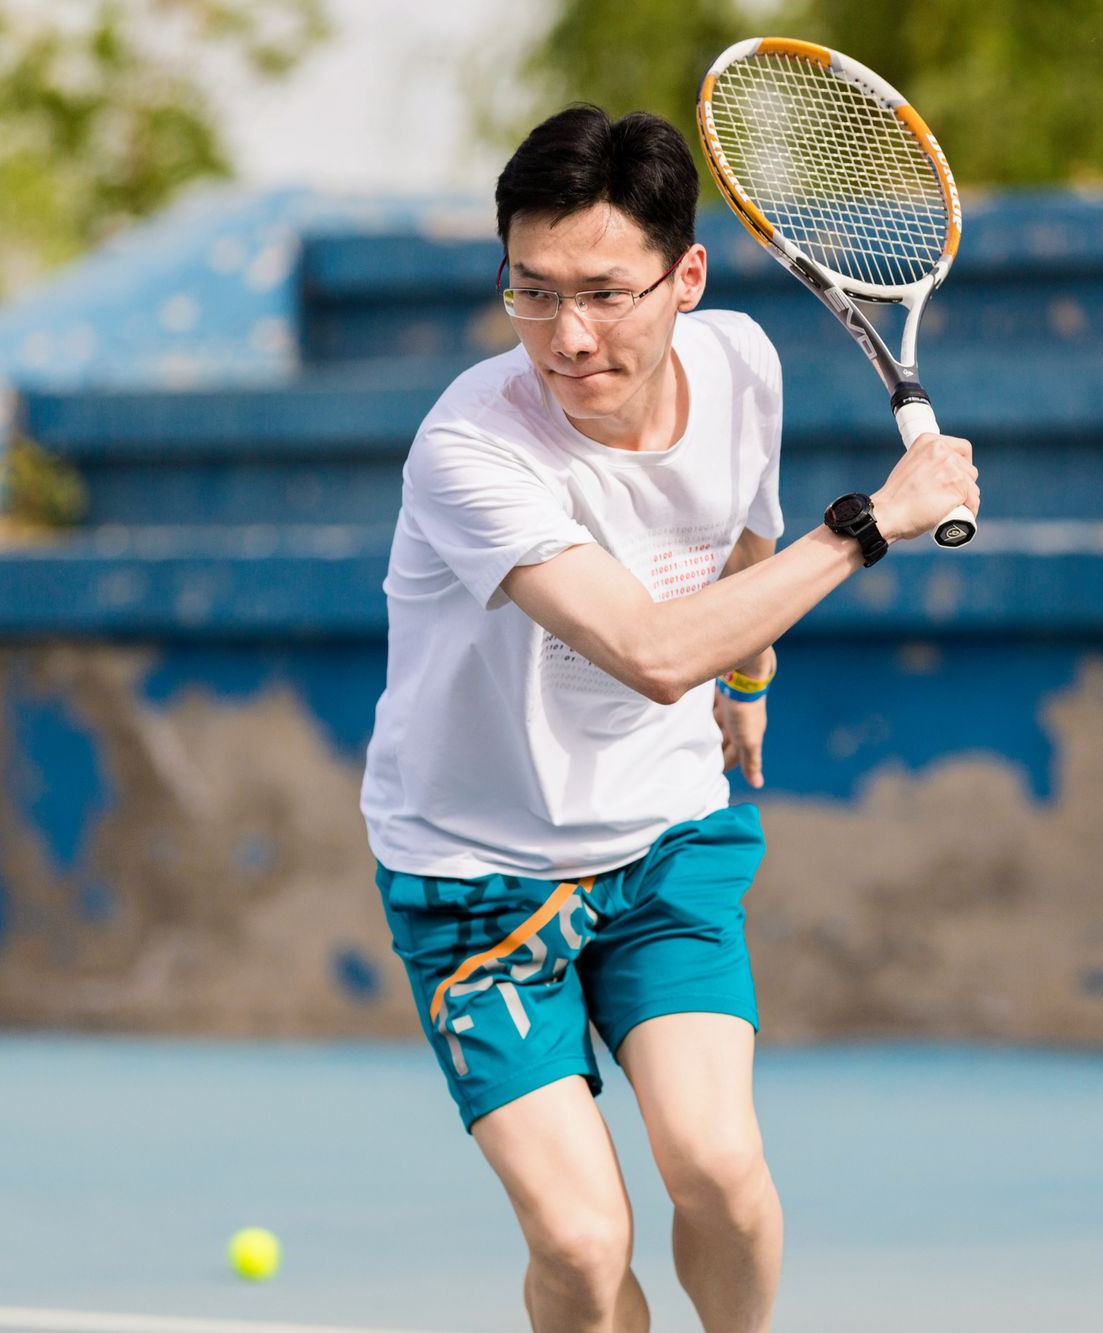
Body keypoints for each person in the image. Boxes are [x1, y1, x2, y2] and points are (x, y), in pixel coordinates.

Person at [360, 104, 979, 1333]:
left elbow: (735, 541)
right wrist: (870, 525)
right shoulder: (470, 449)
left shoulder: (742, 363)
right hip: (478, 881)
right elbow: (648, 652)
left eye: (603, 294)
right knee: (584, 1243)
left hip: (662, 844)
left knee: (720, 1171)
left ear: (684, 278)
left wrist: (745, 682)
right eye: (531, 292)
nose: (567, 336)